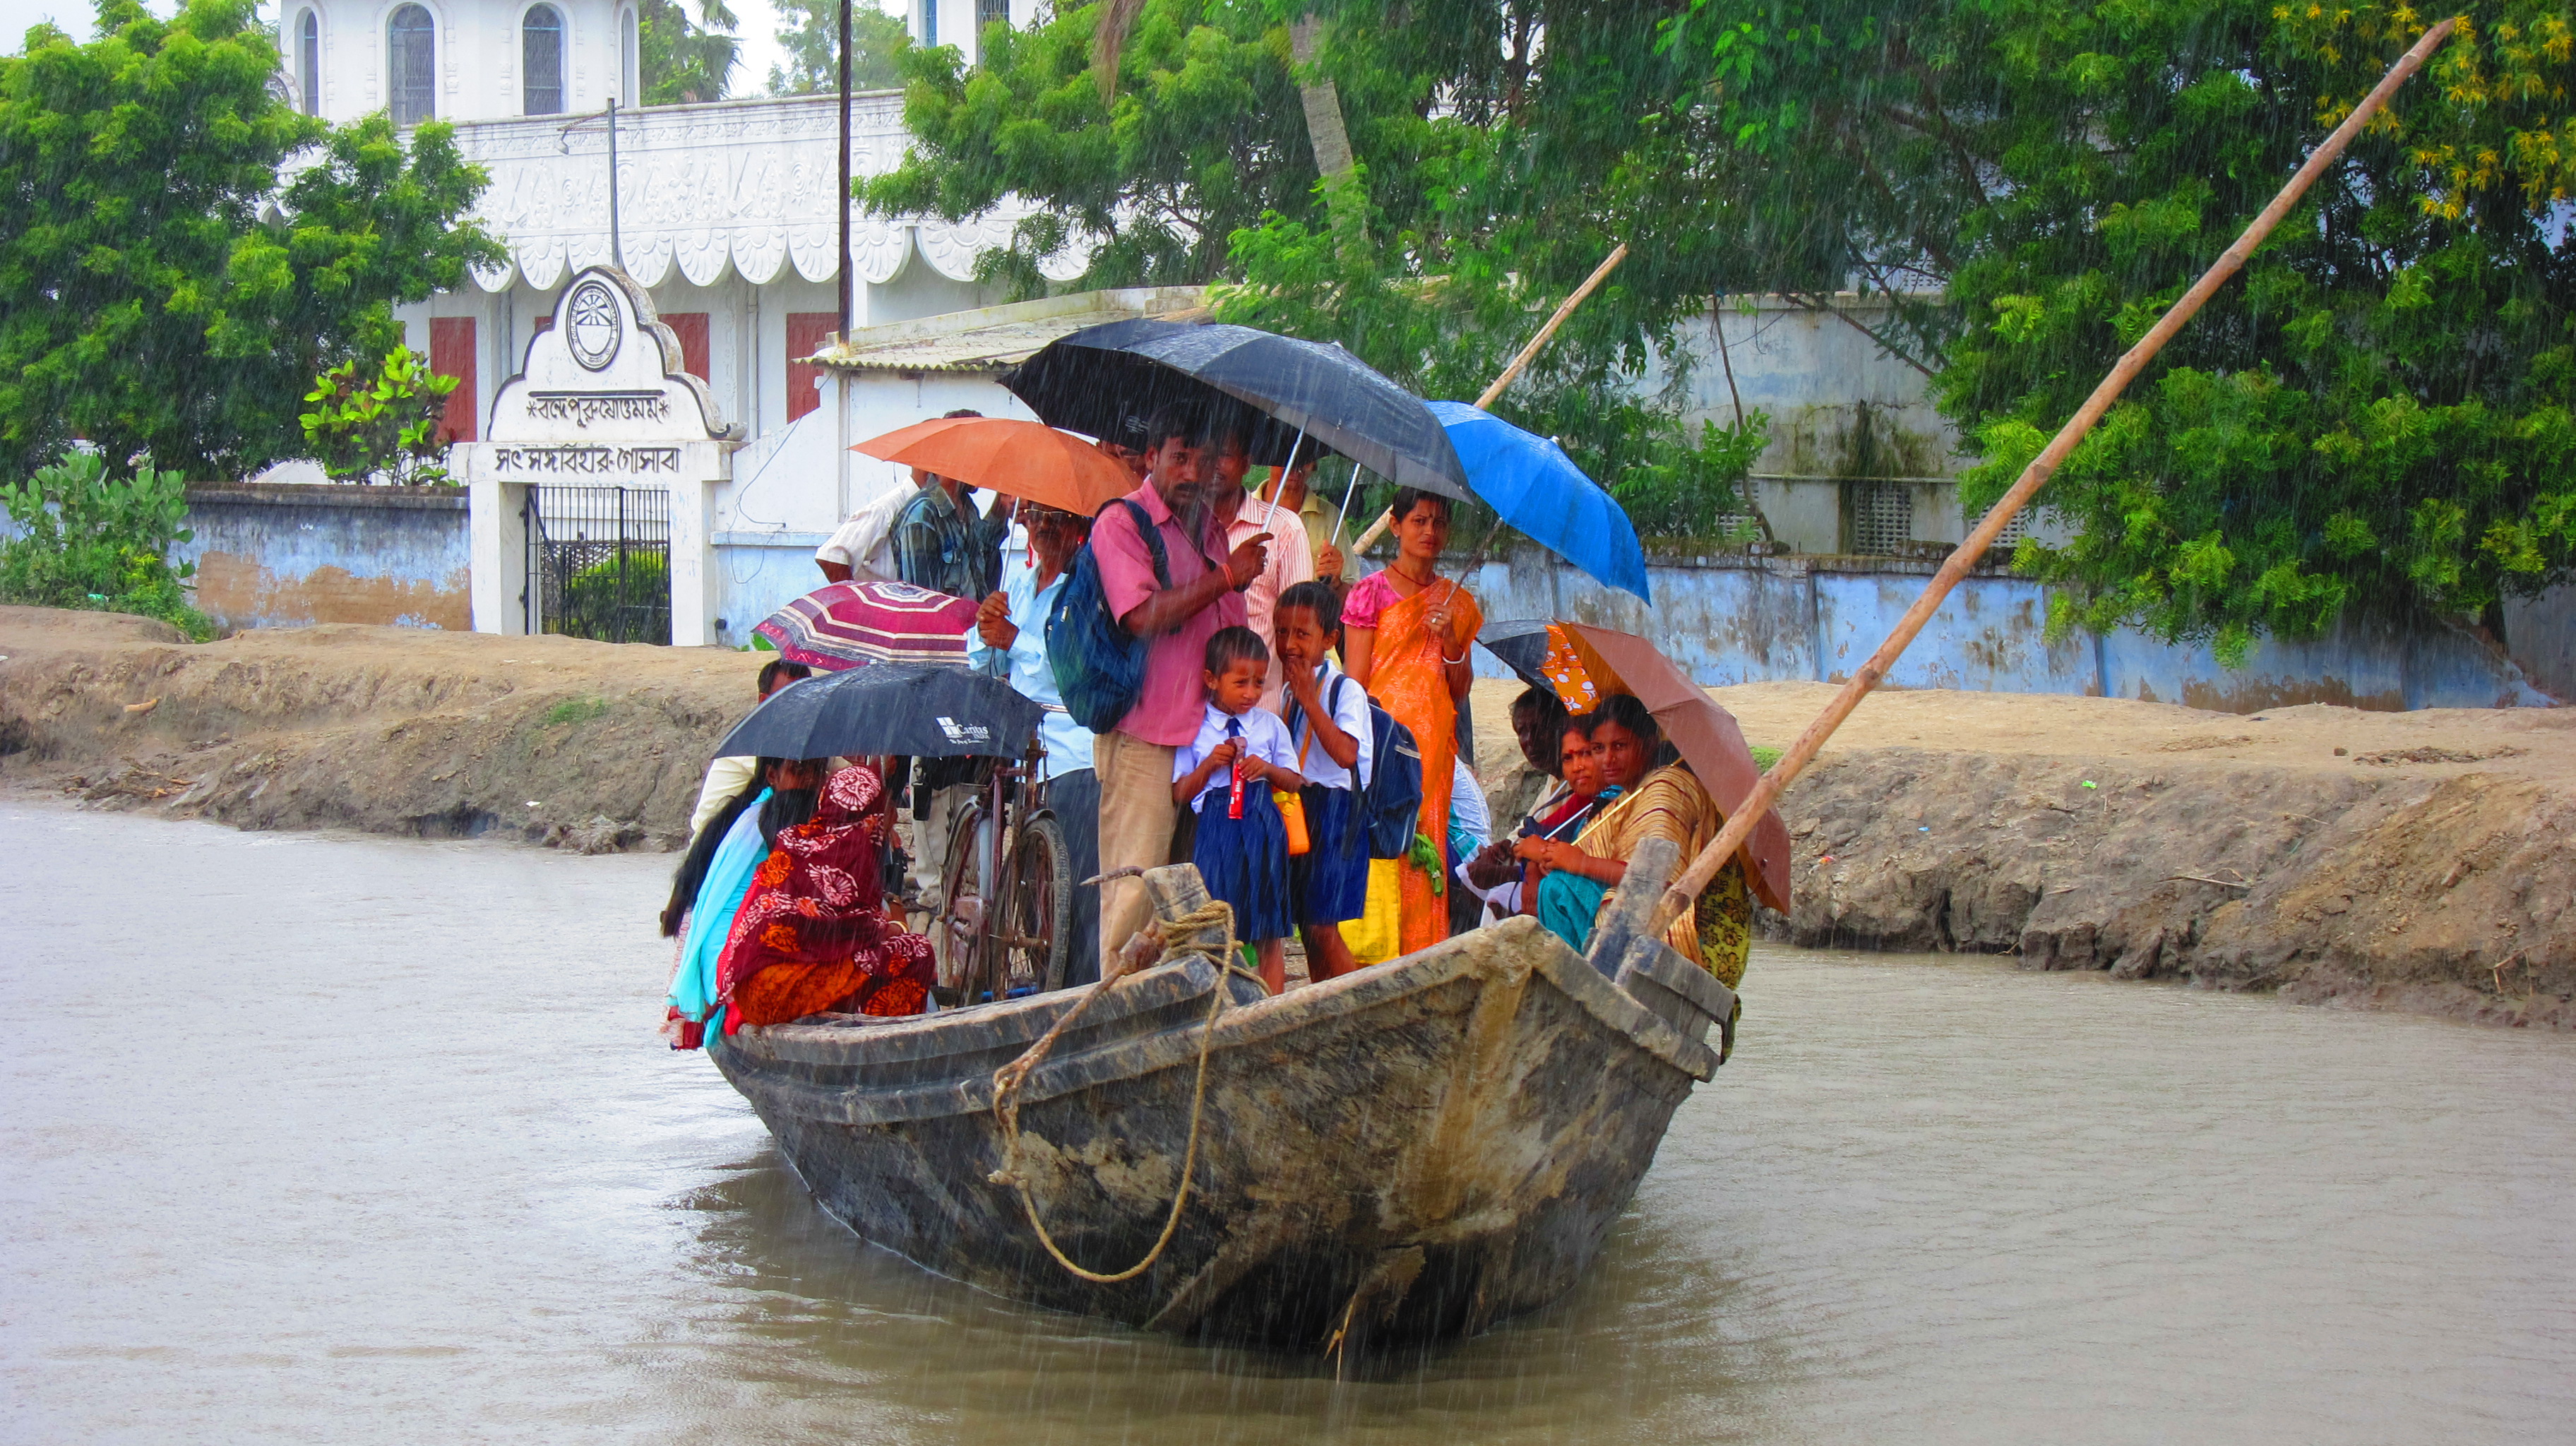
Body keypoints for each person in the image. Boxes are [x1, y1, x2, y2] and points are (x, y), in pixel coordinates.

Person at [1087, 402, 1270, 962]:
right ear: (1152, 458)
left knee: (1191, 904)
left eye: (1205, 458)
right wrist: (1225, 578)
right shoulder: (1121, 523)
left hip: (1205, 749)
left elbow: (1230, 638)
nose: (1194, 471)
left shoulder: (1212, 533)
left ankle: (1177, 1033)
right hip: (1146, 743)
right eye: (1180, 457)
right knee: (1134, 901)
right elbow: (1141, 616)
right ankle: (1120, 1030)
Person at [1520, 695, 1753, 986]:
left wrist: (1578, 863)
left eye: (1620, 746)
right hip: (1643, 919)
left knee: (1557, 890)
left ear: (1648, 742)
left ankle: (1577, 986)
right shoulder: (1628, 795)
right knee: (1557, 884)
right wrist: (1554, 862)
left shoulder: (1666, 787)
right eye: (1598, 749)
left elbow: (1660, 881)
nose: (1608, 759)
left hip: (1693, 935)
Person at [1341, 487, 1483, 956]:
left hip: (1433, 746)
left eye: (1439, 523)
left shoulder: (1455, 602)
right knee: (1385, 845)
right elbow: (1356, 684)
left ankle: (1424, 952)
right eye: (1419, 520)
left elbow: (1460, 689)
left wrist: (1450, 642)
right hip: (1384, 745)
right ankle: (1378, 951)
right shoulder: (1369, 593)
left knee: (1427, 846)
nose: (1430, 531)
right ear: (1396, 525)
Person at [968, 502, 1103, 986]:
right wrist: (988, 628)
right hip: (1026, 751)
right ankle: (1047, 986)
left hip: (1072, 755)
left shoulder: (1084, 594)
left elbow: (1069, 669)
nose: (1044, 526)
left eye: (1058, 518)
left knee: (1081, 890)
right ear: (1023, 523)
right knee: (1035, 891)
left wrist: (1014, 640)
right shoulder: (1021, 588)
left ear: (1079, 528)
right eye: (1037, 516)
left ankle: (1080, 996)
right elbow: (979, 659)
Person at [715, 763, 941, 1032]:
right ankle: (887, 1032)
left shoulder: (792, 838)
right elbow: (858, 932)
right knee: (916, 950)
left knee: (854, 956)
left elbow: (829, 931)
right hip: (778, 996)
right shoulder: (855, 847)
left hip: (750, 991)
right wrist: (896, 925)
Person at [1171, 627, 1304, 993]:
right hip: (1216, 832)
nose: (1251, 693)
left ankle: (1271, 1008)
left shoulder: (1270, 726)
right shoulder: (1195, 729)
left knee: (1269, 928)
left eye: (1259, 683)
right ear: (1211, 680)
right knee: (1218, 923)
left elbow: (1295, 781)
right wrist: (1209, 766)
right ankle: (1224, 1004)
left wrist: (1268, 770)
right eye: (1240, 682)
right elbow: (1180, 791)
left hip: (1263, 826)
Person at [661, 756, 825, 1048]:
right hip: (730, 967)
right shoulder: (773, 825)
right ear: (773, 776)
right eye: (799, 772)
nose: (810, 781)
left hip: (733, 958)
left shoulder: (756, 813)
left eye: (817, 773)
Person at [1274, 580, 1370, 983]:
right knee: (1308, 927)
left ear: (1330, 639)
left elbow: (1347, 754)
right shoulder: (1288, 690)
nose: (1289, 644)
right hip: (1302, 809)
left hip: (1335, 813)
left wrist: (1310, 702)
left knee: (1323, 926)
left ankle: (1367, 1008)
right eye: (1281, 632)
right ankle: (1327, 1003)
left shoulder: (1345, 690)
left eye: (1302, 634)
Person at [1208, 421, 1314, 706]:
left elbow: (1299, 625)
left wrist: (1297, 703)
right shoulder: (1181, 525)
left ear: (1246, 464)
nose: (1215, 464)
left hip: (1260, 706)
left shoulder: (1284, 528)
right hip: (1192, 707)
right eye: (1208, 454)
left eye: (1226, 455)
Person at [890, 408, 1006, 603]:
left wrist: (1004, 496)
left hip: (972, 630)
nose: (988, 463)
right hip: (941, 632)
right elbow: (922, 602)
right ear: (962, 454)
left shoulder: (967, 508)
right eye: (983, 454)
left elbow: (985, 555)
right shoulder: (922, 516)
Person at [686, 659, 811, 839]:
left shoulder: (794, 737)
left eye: (807, 696)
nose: (801, 706)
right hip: (718, 840)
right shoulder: (754, 740)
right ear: (764, 701)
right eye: (790, 698)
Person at [1255, 439, 1347, 590]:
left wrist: (1336, 582)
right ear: (1269, 459)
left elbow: (1351, 592)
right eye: (1285, 458)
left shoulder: (1331, 517)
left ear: (1313, 465)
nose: (1294, 466)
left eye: (1304, 459)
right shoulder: (1244, 509)